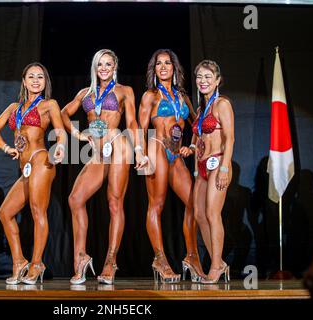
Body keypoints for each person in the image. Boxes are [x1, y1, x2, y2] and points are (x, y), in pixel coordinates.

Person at [61, 49, 148, 285]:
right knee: (75, 199)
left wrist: (139, 150)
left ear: (115, 67)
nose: (104, 68)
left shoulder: (124, 91)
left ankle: (110, 261)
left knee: (114, 202)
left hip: (118, 144)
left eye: (108, 64)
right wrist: (78, 135)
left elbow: (131, 122)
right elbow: (63, 114)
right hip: (97, 152)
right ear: (95, 67)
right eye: (100, 64)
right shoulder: (85, 93)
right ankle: (81, 257)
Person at [0, 62, 66, 285]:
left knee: (37, 211)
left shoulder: (49, 105)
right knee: (5, 213)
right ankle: (19, 261)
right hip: (25, 169)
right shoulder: (15, 108)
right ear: (24, 81)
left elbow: (61, 133)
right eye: (31, 77)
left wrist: (59, 147)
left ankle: (37, 263)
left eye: (40, 77)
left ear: (45, 82)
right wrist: (6, 148)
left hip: (41, 160)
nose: (35, 81)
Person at [138, 49, 204, 283]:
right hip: (156, 147)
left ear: (174, 68)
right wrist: (140, 153)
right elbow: (141, 128)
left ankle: (192, 256)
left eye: (168, 63)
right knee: (156, 204)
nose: (163, 67)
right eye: (159, 63)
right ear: (154, 69)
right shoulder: (150, 96)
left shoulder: (182, 96)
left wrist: (193, 147)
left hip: (176, 153)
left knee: (195, 204)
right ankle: (160, 258)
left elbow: (198, 125)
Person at [180, 59, 234, 284]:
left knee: (212, 214)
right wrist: (190, 148)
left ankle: (214, 266)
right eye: (199, 77)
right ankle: (218, 262)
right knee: (200, 215)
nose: (202, 81)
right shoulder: (201, 109)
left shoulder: (222, 104)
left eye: (207, 77)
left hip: (219, 162)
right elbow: (198, 136)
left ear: (217, 80)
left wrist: (224, 168)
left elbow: (230, 138)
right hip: (201, 166)